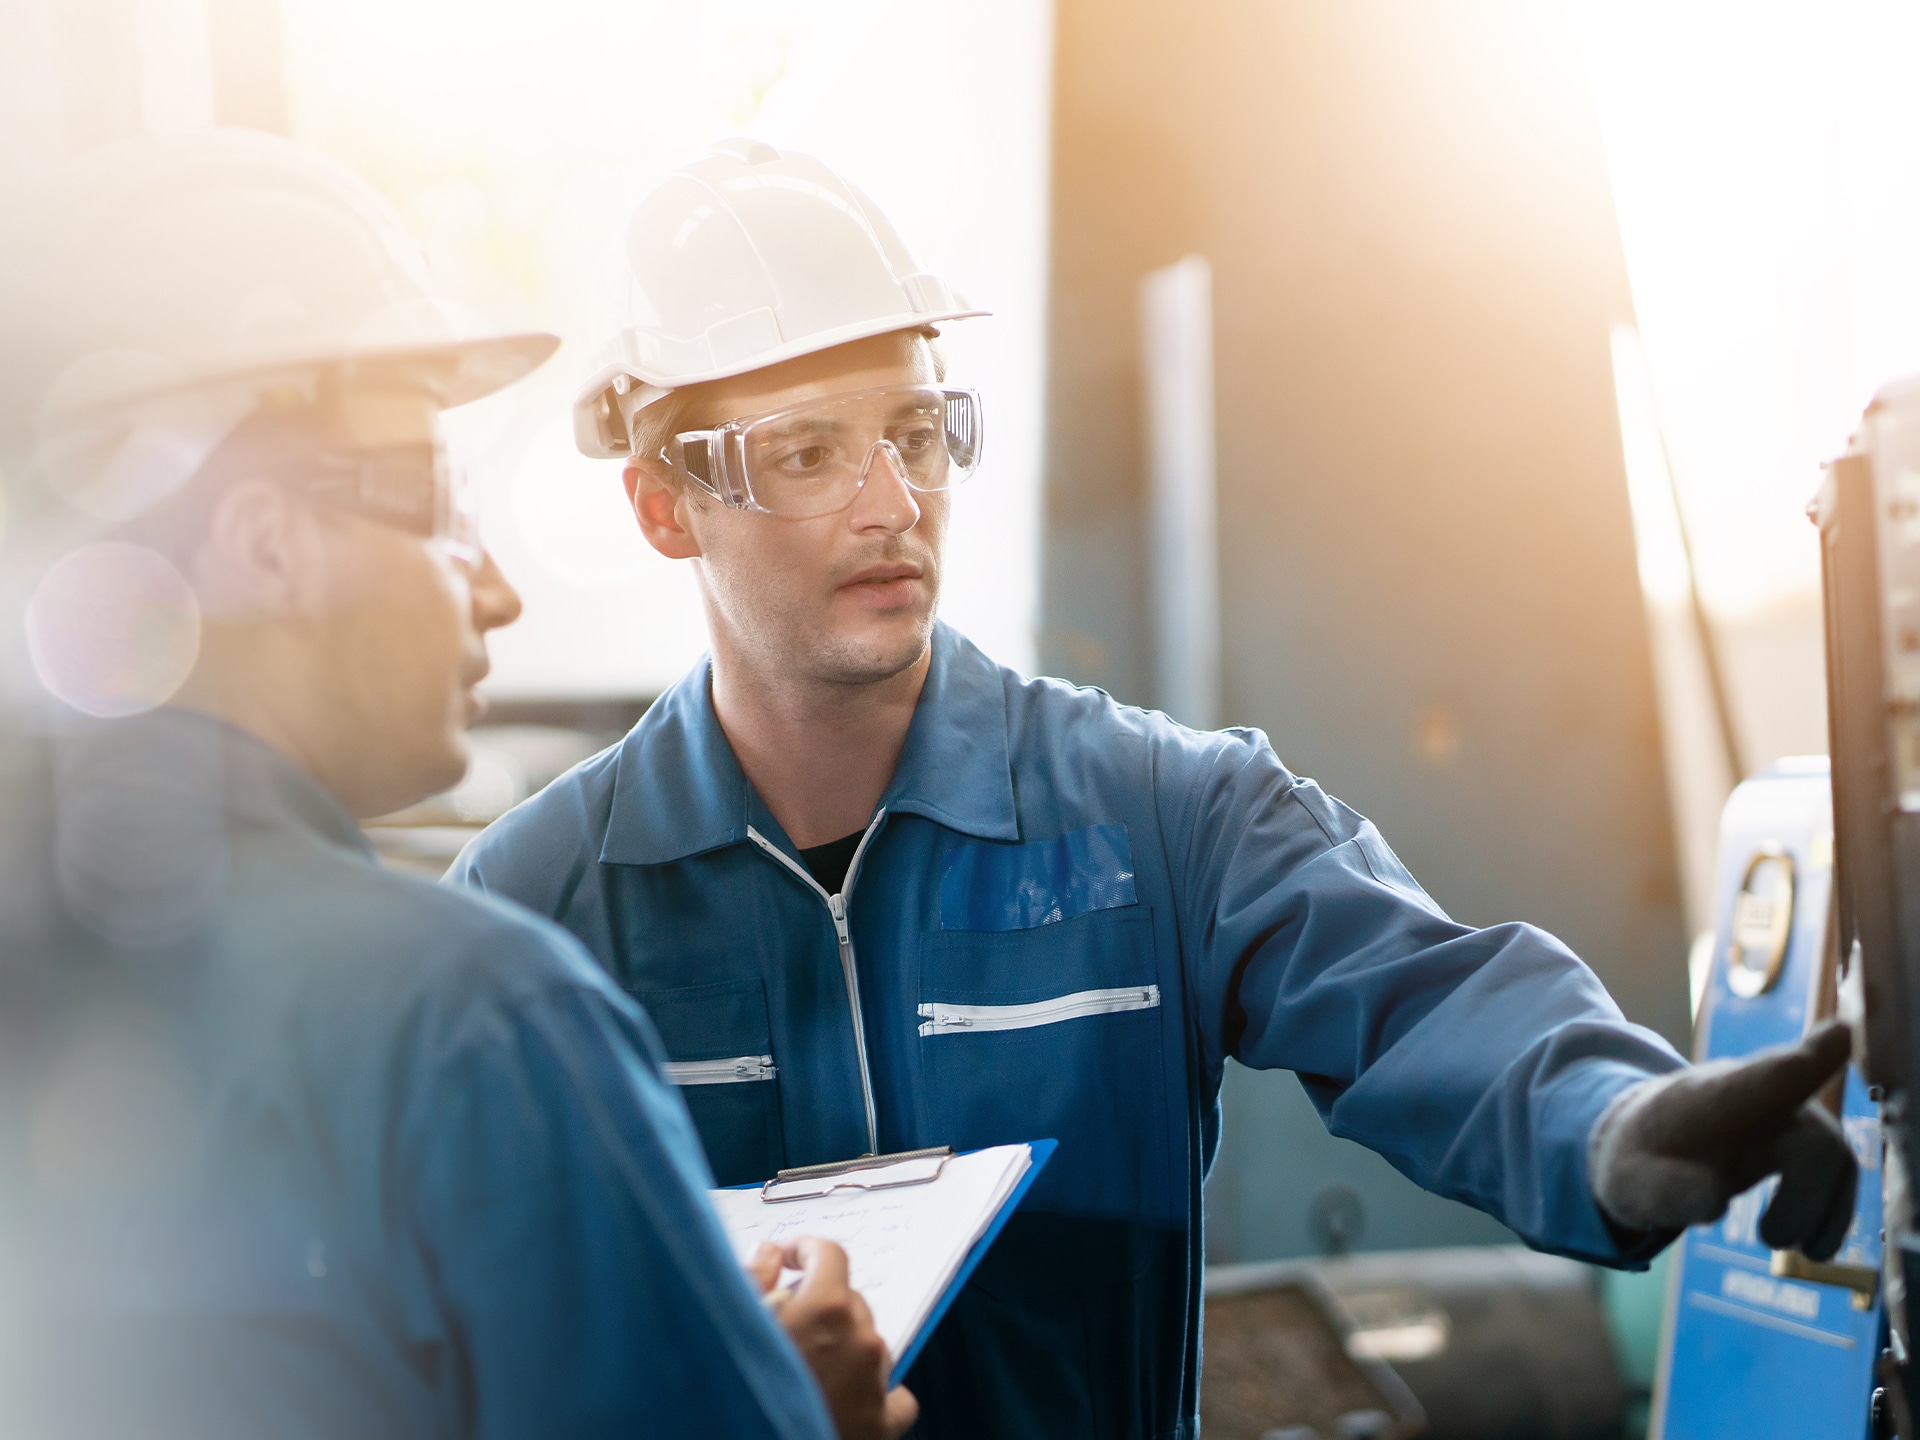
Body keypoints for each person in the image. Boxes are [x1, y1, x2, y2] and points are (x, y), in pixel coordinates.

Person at [451, 139, 1860, 1439]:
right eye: (810, 452)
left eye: (919, 431)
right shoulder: (536, 916)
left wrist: (1608, 1124)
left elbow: (1423, 994)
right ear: (661, 503)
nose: (890, 501)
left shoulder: (1156, 818)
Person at [0, 129, 912, 1440]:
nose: (495, 586)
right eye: (436, 502)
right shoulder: (481, 1022)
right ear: (267, 544)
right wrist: (792, 1416)